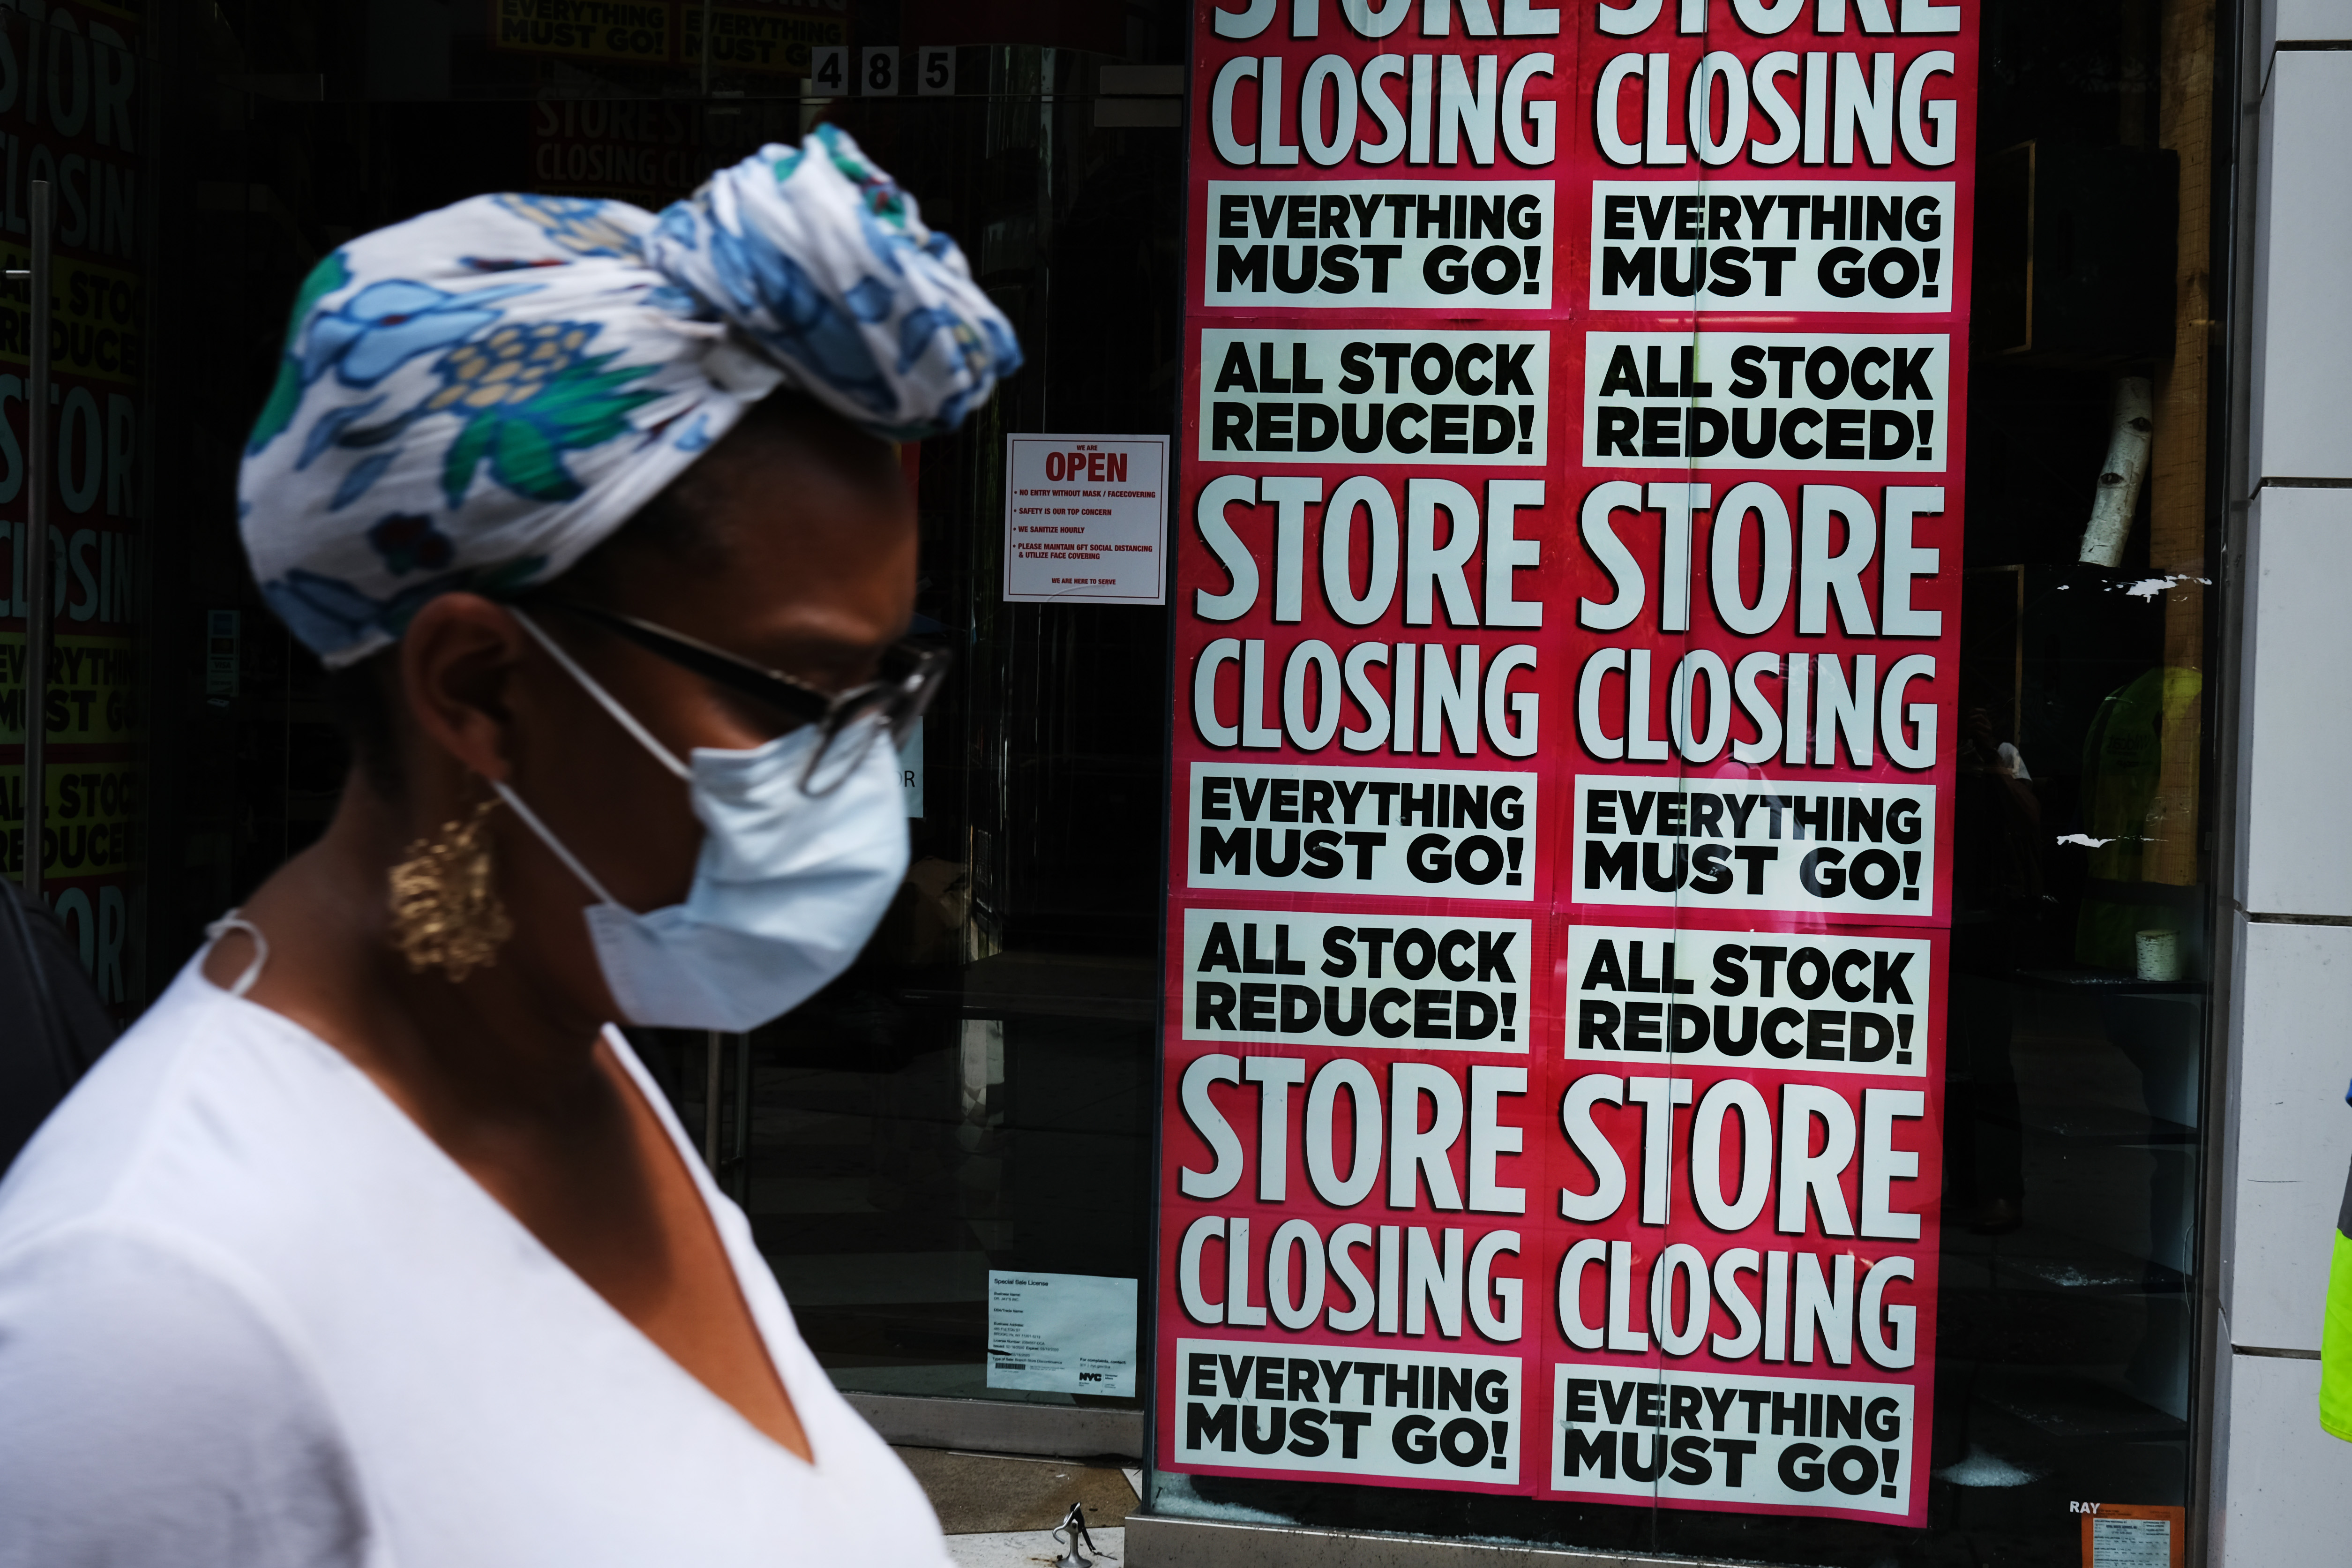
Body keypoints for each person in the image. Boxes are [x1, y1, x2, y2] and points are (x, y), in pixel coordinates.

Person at [0, 128, 1018, 1565]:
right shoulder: (153, 1302)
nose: (856, 767)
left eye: (885, 686)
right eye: (795, 692)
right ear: (477, 687)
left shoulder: (578, 1059)